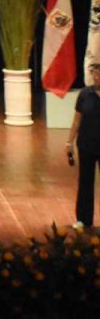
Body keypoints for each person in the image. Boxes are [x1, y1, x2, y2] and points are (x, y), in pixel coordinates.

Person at [67, 61, 100, 230]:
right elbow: (76, 120)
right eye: (95, 74)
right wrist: (69, 142)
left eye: (99, 74)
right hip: (86, 145)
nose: (96, 77)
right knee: (85, 182)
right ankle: (83, 219)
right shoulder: (85, 94)